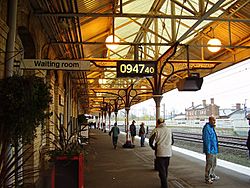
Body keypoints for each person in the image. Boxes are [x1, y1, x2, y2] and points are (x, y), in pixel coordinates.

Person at [149, 118, 173, 188]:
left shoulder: (156, 130)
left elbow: (150, 141)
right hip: (168, 152)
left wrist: (153, 147)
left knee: (161, 170)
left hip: (160, 152)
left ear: (157, 123)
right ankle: (163, 184)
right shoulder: (169, 130)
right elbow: (173, 141)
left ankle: (165, 186)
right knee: (165, 169)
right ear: (164, 122)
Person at [202, 116, 220, 184]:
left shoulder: (212, 128)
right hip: (210, 150)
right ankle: (207, 178)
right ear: (209, 120)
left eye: (215, 121)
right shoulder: (207, 128)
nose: (214, 122)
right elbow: (207, 140)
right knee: (209, 164)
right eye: (213, 120)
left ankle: (212, 175)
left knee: (214, 163)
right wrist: (208, 150)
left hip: (214, 149)